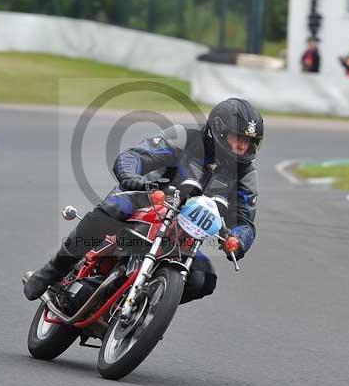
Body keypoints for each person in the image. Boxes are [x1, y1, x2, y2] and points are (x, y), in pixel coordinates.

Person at [23, 98, 263, 304]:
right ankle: (54, 270)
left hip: (184, 234)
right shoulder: (186, 137)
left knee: (203, 279)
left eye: (249, 141)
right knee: (114, 208)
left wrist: (237, 240)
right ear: (219, 130)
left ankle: (147, 306)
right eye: (238, 137)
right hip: (148, 199)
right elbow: (136, 155)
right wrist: (131, 176)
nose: (243, 146)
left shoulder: (246, 173)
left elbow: (245, 221)